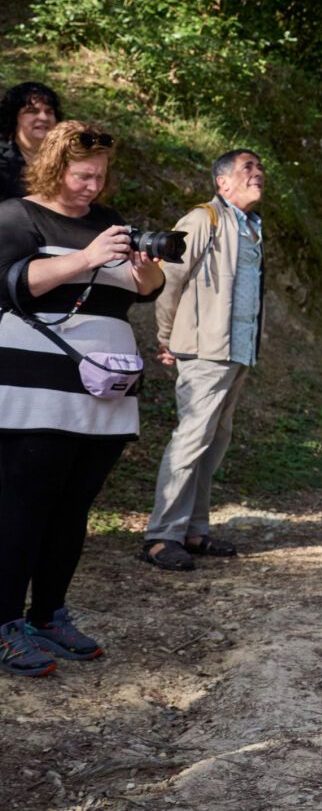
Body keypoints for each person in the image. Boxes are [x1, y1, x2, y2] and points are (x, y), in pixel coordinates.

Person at [0, 121, 162, 675]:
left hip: (106, 389)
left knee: (72, 508)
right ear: (54, 167)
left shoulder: (110, 223)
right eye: (82, 174)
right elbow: (11, 284)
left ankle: (48, 615)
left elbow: (141, 293)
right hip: (33, 388)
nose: (94, 186)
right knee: (22, 507)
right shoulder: (17, 216)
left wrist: (146, 272)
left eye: (100, 176)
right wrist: (86, 256)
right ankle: (4, 626)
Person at [141, 149, 267, 572]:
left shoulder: (250, 226)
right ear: (222, 183)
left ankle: (193, 530)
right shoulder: (203, 220)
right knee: (192, 439)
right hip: (203, 349)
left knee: (213, 442)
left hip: (236, 351)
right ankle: (162, 536)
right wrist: (166, 338)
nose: (258, 174)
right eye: (248, 168)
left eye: (259, 167)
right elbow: (167, 278)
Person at [0, 82, 63, 202]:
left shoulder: (66, 159)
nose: (44, 118)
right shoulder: (2, 161)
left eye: (49, 112)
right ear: (14, 118)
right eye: (32, 111)